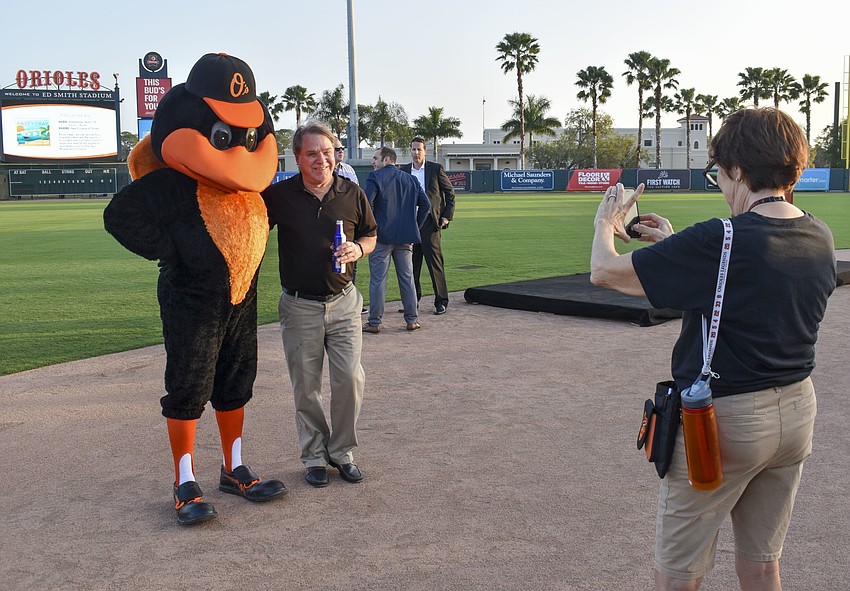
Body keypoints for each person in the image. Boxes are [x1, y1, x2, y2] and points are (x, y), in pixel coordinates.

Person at [590, 108, 835, 590]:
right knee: (762, 563)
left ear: (740, 170)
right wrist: (676, 247)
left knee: (678, 575)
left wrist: (605, 222)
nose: (721, 185)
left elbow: (604, 271)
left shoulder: (721, 237)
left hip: (725, 423)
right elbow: (755, 283)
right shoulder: (818, 234)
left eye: (720, 173)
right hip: (795, 412)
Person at [262, 122, 377, 488]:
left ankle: (342, 452)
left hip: (343, 303)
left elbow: (371, 235)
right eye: (312, 153)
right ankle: (314, 455)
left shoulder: (352, 193)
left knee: (349, 379)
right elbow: (250, 227)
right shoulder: (279, 196)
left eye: (326, 152)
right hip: (299, 306)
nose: (321, 160)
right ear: (297, 157)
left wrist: (358, 248)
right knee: (306, 387)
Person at [362, 146, 430, 333]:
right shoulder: (411, 179)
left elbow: (367, 205)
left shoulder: (375, 177)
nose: (373, 162)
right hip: (405, 237)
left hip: (382, 237)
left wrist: (369, 230)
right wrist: (415, 225)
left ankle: (375, 322)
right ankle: (412, 320)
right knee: (407, 279)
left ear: (386, 160)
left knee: (378, 280)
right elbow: (426, 205)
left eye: (375, 158)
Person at [401, 137, 455, 315]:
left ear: (425, 151)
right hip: (410, 223)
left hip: (431, 224)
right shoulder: (404, 171)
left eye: (419, 149)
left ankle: (441, 301)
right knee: (411, 266)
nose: (416, 153)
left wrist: (446, 216)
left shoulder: (435, 169)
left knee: (435, 264)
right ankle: (412, 301)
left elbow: (450, 193)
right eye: (413, 149)